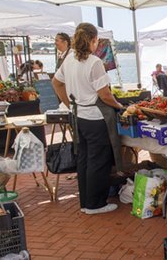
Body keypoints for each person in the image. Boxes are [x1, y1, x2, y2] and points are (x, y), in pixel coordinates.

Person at [52, 23, 124, 215]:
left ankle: (85, 202)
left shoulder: (69, 60)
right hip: (95, 118)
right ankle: (95, 204)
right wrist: (120, 106)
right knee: (98, 161)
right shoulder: (94, 62)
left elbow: (56, 83)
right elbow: (105, 95)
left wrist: (70, 105)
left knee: (83, 159)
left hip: (78, 117)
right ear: (94, 40)